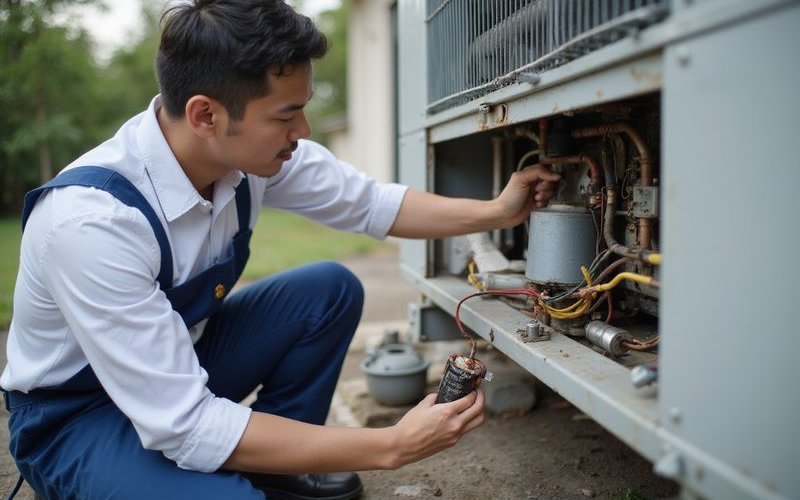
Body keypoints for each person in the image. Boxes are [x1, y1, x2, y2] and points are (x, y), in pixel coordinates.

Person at [0, 1, 560, 499]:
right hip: (78, 417)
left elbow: (371, 203)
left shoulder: (245, 161)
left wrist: (495, 212)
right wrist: (388, 445)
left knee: (327, 290)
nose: (304, 129)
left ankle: (279, 468)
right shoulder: (90, 224)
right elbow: (186, 423)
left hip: (174, 371)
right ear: (206, 115)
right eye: (286, 114)